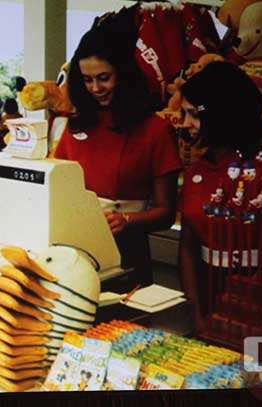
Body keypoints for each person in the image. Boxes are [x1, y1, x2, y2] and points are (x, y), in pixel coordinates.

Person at [53, 27, 182, 287]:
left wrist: (127, 220)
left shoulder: (155, 130)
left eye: (104, 78)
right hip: (75, 250)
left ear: (124, 75)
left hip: (127, 250)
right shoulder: (74, 125)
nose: (96, 88)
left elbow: (166, 213)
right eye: (87, 80)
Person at [178, 61, 262, 334]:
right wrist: (195, 312)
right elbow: (188, 248)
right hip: (206, 292)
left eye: (193, 114)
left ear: (220, 114)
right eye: (184, 114)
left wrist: (238, 309)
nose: (185, 124)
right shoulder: (197, 169)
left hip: (257, 300)